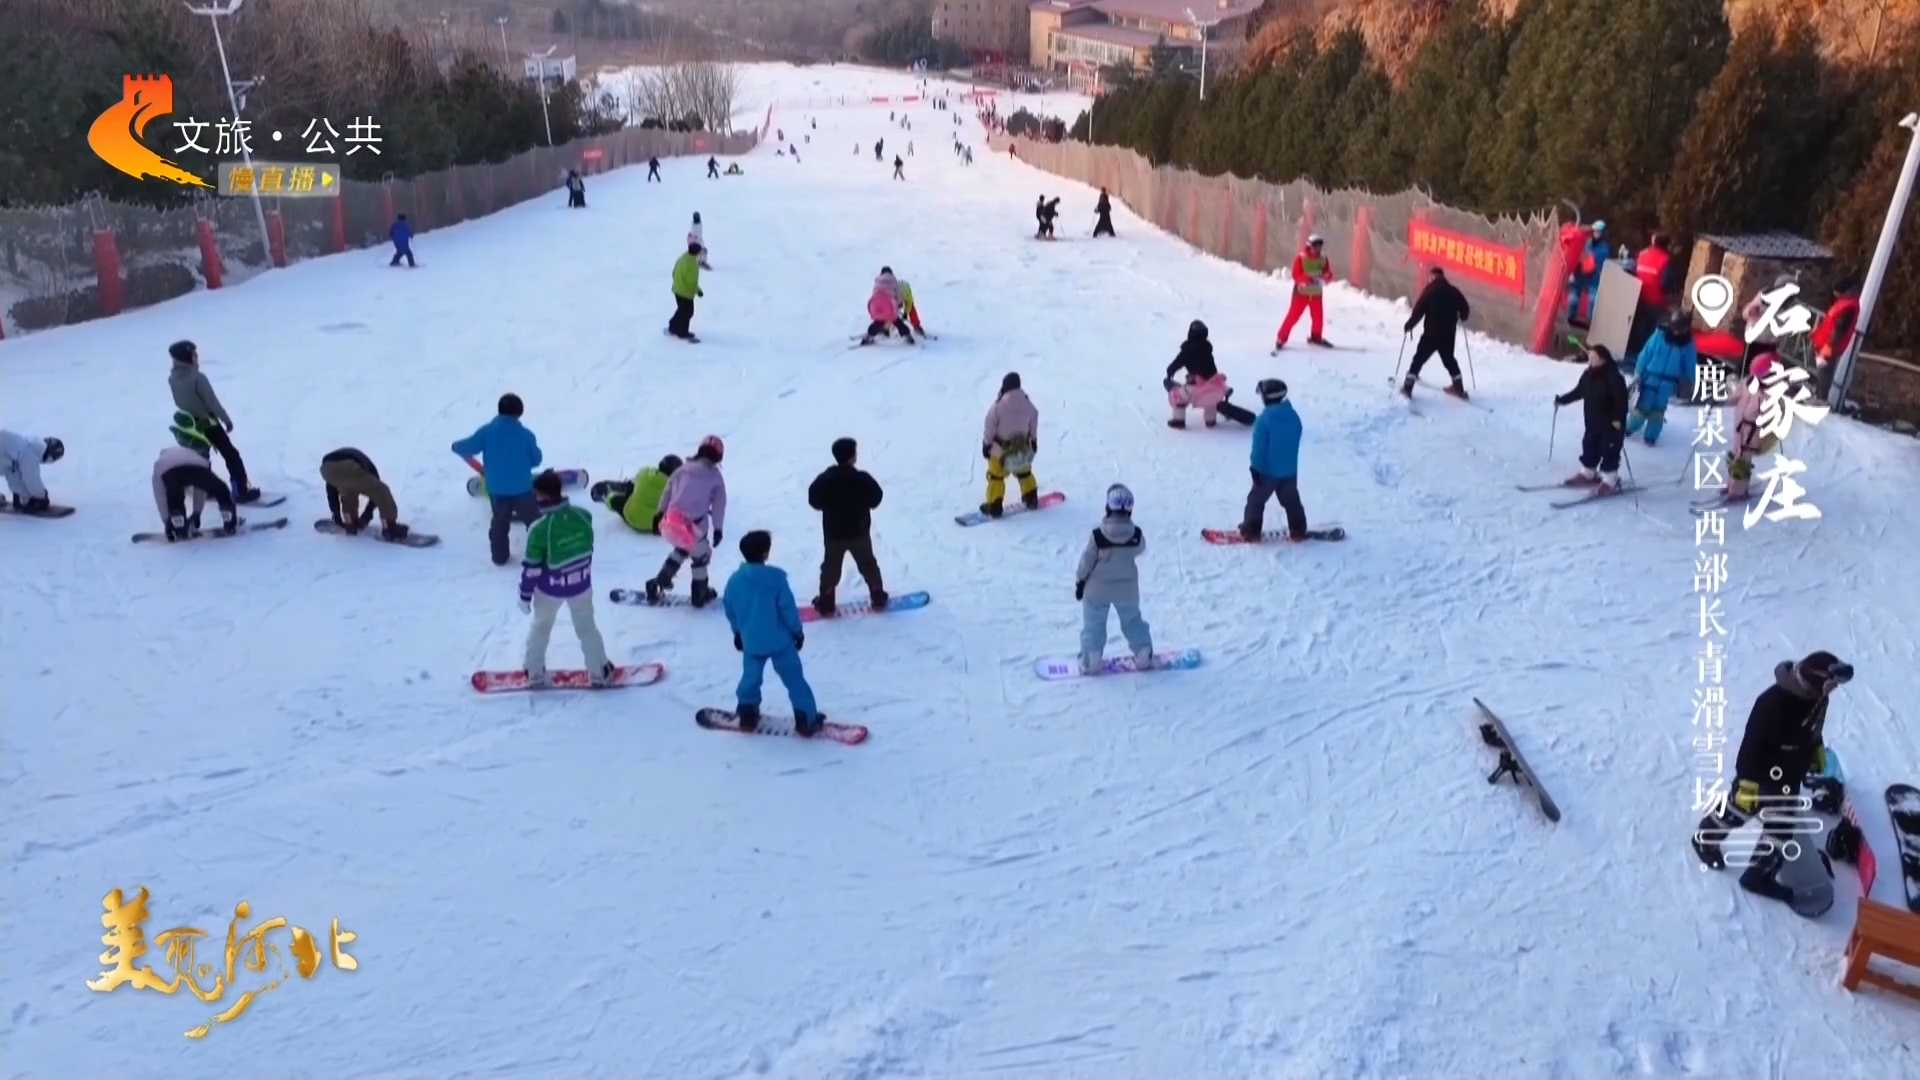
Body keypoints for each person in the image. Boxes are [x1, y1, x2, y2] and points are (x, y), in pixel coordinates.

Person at [1692, 652, 1854, 906]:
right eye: (1830, 685)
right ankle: (1705, 840)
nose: (1832, 690)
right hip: (1759, 775)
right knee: (1738, 810)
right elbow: (1750, 747)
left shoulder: (1817, 697)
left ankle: (1758, 875)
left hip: (1789, 773)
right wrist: (1747, 784)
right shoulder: (1772, 703)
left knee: (1781, 829)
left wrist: (1816, 750)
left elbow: (1813, 727)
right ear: (1814, 681)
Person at [518, 469, 614, 688]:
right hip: (581, 586)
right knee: (587, 627)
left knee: (541, 627)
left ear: (542, 496)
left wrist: (524, 596)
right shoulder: (583, 515)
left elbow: (532, 569)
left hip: (549, 590)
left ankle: (534, 672)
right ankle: (599, 671)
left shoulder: (539, 529)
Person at [724, 530, 823, 736]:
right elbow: (788, 609)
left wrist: (738, 632)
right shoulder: (776, 580)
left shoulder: (734, 581)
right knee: (794, 679)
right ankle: (806, 718)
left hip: (752, 641)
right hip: (780, 642)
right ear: (765, 554)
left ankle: (747, 713)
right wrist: (797, 632)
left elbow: (731, 609)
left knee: (750, 678)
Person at [451, 393, 543, 566]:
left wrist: (456, 446)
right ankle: (541, 552)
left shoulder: (486, 432)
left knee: (500, 524)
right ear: (520, 412)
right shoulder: (526, 435)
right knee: (534, 522)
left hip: (497, 490)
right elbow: (536, 460)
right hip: (523, 488)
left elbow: (467, 447)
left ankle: (500, 557)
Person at [168, 339, 259, 503]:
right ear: (187, 357)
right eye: (194, 354)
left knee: (202, 459)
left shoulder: (172, 378)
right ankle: (240, 491)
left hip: (190, 426)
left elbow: (178, 402)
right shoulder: (198, 378)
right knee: (231, 455)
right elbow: (212, 402)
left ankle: (205, 490)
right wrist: (226, 420)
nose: (196, 357)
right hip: (208, 423)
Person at [1075, 483, 1152, 674]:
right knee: (1132, 621)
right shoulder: (1136, 535)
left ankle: (1091, 659)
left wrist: (1080, 581)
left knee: (1094, 624)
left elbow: (1086, 561)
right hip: (1127, 590)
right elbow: (1141, 548)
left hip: (1097, 590)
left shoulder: (1098, 536)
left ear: (1108, 508)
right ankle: (1143, 652)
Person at [807, 437, 887, 617]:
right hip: (859, 532)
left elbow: (814, 500)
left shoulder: (825, 478)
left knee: (831, 567)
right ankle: (878, 596)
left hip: (833, 534)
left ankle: (826, 602)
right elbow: (876, 498)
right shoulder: (862, 478)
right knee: (868, 564)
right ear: (853, 456)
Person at [645, 435, 727, 608]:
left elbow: (667, 491)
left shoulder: (682, 469)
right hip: (693, 526)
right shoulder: (715, 477)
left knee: (683, 548)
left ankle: (661, 580)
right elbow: (719, 505)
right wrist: (718, 528)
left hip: (671, 523)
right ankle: (699, 593)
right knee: (701, 557)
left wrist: (660, 512)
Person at [1553, 345, 1629, 492]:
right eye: (1589, 357)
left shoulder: (1614, 377)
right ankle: (1588, 473)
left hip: (1611, 424)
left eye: (1594, 358)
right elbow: (1578, 392)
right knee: (1589, 446)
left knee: (1609, 450)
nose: (1590, 360)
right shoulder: (1588, 375)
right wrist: (1562, 400)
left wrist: (1617, 420)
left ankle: (1610, 480)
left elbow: (1621, 402)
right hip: (1593, 421)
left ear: (1603, 359)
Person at [153, 412, 238, 540]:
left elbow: (160, 496)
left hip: (169, 473)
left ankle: (178, 526)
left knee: (174, 496)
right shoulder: (194, 454)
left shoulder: (160, 463)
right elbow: (200, 488)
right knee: (221, 489)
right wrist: (197, 513)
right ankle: (229, 521)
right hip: (198, 466)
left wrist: (166, 521)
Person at [1241, 379, 1308, 541]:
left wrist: (1255, 468)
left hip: (1267, 472)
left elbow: (1259, 449)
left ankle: (1251, 530)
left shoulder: (1264, 420)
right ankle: (1298, 529)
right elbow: (1295, 437)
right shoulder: (1293, 416)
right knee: (1291, 501)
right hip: (1289, 471)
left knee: (1256, 500)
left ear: (1266, 398)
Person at [1625, 309, 1698, 446]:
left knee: (1658, 411)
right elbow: (1646, 353)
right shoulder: (1659, 335)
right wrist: (1638, 372)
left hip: (1669, 383)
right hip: (1650, 377)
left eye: (1680, 329)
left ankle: (1651, 436)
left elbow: (1690, 364)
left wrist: (1689, 381)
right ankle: (1629, 427)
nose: (1676, 332)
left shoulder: (1688, 344)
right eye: (1675, 328)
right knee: (1642, 407)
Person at [1400, 267, 1471, 400]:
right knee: (1449, 360)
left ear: (1432, 277)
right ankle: (1458, 388)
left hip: (1431, 334)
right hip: (1448, 335)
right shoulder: (1453, 291)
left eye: (1430, 277)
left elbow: (1419, 310)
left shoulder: (1430, 291)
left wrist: (1409, 325)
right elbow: (1465, 309)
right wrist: (1462, 316)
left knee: (1418, 359)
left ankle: (1408, 387)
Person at [1164, 320, 1250, 429]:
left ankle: (1178, 420)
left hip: (1197, 387)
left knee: (1177, 395)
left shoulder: (1187, 350)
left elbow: (1176, 364)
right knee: (1211, 400)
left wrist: (1170, 372)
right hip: (1214, 384)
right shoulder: (1207, 349)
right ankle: (1210, 421)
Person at [981, 372, 1040, 518]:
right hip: (1021, 450)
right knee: (1024, 472)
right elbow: (1034, 416)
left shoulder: (998, 407)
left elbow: (989, 426)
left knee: (996, 477)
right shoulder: (1028, 404)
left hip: (1000, 452)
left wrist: (986, 445)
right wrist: (1033, 440)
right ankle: (1031, 497)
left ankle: (994, 505)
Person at [1723, 352, 1779, 503]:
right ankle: (1732, 484)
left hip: (1752, 431)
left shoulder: (1769, 393)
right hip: (1739, 426)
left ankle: (1737, 491)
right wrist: (1726, 400)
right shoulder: (1746, 382)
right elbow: (1736, 396)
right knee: (1736, 455)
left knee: (1743, 459)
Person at [320, 447, 409, 541]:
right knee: (382, 491)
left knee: (348, 491)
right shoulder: (371, 471)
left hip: (326, 468)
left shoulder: (358, 468)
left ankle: (350, 523)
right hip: (348, 465)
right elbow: (377, 496)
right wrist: (367, 515)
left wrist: (336, 513)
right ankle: (390, 528)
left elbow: (331, 491)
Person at [1274, 235, 1333, 349]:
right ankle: (1281, 338)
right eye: (1315, 246)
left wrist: (1326, 277)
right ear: (1309, 246)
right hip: (1301, 293)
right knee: (1293, 317)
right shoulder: (1301, 258)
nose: (1317, 249)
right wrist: (1307, 279)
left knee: (1318, 318)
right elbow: (1295, 275)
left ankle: (1316, 337)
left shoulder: (1323, 258)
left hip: (1316, 293)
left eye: (1320, 246)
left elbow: (1328, 273)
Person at [1628, 232, 1679, 356]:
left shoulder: (1642, 254)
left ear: (1653, 241)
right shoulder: (1666, 260)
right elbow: (1666, 284)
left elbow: (1633, 272)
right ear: (1667, 244)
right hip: (1655, 301)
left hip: (1638, 297)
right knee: (1651, 331)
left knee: (1638, 327)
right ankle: (1646, 355)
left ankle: (1633, 353)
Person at [602, 454, 681, 534]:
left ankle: (608, 497)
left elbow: (640, 474)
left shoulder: (646, 473)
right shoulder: (675, 487)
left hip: (629, 515)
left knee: (622, 497)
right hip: (653, 524)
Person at [1810, 281, 1860, 400]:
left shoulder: (1849, 307)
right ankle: (1818, 395)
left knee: (1824, 374)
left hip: (1829, 347)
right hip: (1824, 344)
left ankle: (1820, 399)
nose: (1835, 295)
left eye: (1837, 293)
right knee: (1821, 371)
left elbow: (1839, 330)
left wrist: (1829, 346)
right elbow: (1831, 322)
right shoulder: (1844, 303)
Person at [0, 431, 62, 512]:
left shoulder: (20, 447)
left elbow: (13, 475)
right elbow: (31, 478)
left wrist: (22, 495)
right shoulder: (28, 453)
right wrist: (41, 496)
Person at [1566, 219, 1608, 325]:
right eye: (1595, 231)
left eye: (1598, 231)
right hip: (1584, 272)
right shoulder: (1591, 244)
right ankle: (1573, 316)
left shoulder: (1592, 244)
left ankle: (1588, 320)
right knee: (1577, 293)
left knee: (1590, 296)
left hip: (1589, 273)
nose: (1596, 233)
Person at [862, 267, 915, 345]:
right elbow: (898, 295)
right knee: (897, 322)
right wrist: (899, 304)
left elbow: (874, 294)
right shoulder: (893, 280)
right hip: (890, 307)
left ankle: (868, 336)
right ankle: (907, 336)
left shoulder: (877, 281)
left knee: (878, 322)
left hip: (876, 307)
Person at [668, 242, 704, 341]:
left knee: (681, 310)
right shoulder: (692, 264)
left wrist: (677, 283)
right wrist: (698, 291)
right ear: (697, 252)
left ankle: (673, 327)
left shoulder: (683, 257)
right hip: (685, 293)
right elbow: (692, 282)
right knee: (688, 312)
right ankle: (682, 332)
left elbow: (674, 271)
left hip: (677, 289)